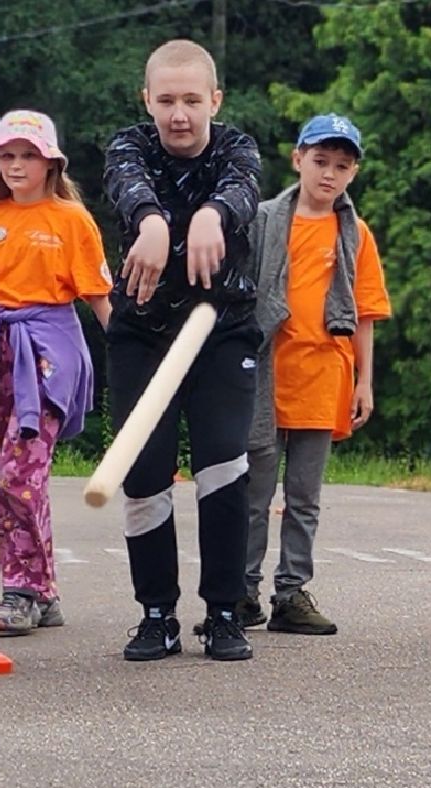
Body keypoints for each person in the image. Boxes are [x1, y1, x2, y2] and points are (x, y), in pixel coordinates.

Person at [103, 39, 263, 662]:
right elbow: (127, 185)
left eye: (192, 100)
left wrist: (210, 216)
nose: (179, 114)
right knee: (144, 476)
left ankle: (224, 613)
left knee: (223, 466)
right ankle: (156, 615)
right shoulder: (127, 146)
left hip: (221, 331)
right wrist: (152, 221)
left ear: (214, 101)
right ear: (148, 100)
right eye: (166, 100)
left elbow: (242, 191)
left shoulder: (238, 147)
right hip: (143, 335)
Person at [0, 110, 112, 636]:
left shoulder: (72, 219)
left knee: (20, 472)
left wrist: (129, 349)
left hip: (51, 353)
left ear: (50, 162)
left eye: (27, 155)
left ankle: (20, 589)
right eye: (7, 156)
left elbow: (97, 296)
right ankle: (44, 590)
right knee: (10, 473)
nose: (16, 165)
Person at [242, 113, 392, 636]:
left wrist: (365, 381)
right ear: (298, 159)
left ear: (353, 173)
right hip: (266, 374)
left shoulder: (355, 233)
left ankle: (291, 593)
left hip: (325, 374)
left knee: (304, 496)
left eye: (341, 166)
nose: (329, 174)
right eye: (321, 161)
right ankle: (241, 592)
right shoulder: (262, 220)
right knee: (253, 492)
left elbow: (366, 312)